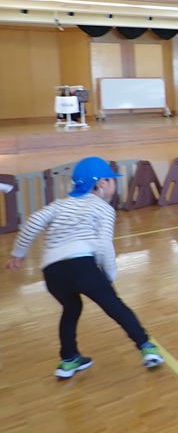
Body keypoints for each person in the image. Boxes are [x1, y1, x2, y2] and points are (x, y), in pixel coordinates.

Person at [5, 157, 164, 379]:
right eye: (112, 180)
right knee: (115, 306)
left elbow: (32, 223)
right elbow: (104, 245)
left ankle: (69, 360)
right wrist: (109, 276)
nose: (114, 184)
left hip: (53, 272)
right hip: (82, 266)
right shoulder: (103, 208)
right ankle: (147, 348)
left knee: (71, 309)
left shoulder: (59, 205)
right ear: (102, 183)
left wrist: (18, 254)